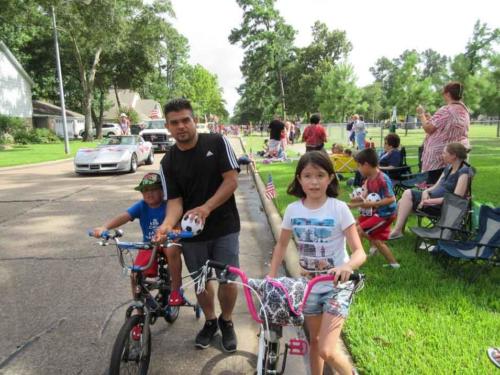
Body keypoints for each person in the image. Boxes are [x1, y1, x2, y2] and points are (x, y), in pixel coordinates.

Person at [268, 151, 366, 375]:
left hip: (337, 287)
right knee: (315, 341)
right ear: (299, 179)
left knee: (327, 350)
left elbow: (360, 252)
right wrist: (271, 277)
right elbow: (282, 246)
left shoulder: (339, 208)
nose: (314, 181)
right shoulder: (293, 210)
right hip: (309, 288)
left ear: (330, 178)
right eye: (308, 175)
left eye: (320, 175)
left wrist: (346, 267)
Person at [154, 98, 240, 352]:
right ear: (168, 127)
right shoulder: (168, 161)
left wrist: (206, 208)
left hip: (224, 226)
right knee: (201, 282)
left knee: (227, 279)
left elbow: (231, 181)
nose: (181, 126)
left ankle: (226, 321)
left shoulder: (216, 142)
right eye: (174, 122)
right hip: (191, 233)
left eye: (185, 120)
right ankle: (211, 321)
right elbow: (175, 203)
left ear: (194, 121)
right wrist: (167, 225)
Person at [91, 172, 184, 307]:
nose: (149, 193)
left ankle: (176, 289)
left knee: (172, 250)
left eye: (153, 189)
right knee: (135, 273)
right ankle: (139, 305)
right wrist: (104, 227)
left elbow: (177, 221)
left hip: (167, 242)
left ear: (163, 191)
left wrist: (176, 230)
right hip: (149, 245)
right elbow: (125, 216)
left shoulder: (168, 205)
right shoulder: (141, 206)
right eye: (145, 190)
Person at [389, 143, 472, 239]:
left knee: (407, 193)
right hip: (431, 200)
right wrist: (425, 192)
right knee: (401, 201)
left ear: (453, 155)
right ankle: (399, 231)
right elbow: (436, 186)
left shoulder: (463, 172)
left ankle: (397, 231)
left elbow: (455, 199)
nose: (442, 155)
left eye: (445, 153)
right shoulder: (449, 168)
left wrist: (429, 201)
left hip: (442, 207)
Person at [349, 148, 399, 267]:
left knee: (363, 232)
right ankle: (366, 254)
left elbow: (392, 199)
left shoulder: (382, 179)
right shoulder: (368, 179)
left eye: (359, 166)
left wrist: (371, 204)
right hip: (376, 212)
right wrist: (351, 204)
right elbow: (364, 197)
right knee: (357, 227)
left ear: (366, 165)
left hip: (385, 214)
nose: (358, 169)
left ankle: (358, 260)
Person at [417, 81, 470, 184]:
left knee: (434, 188)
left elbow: (428, 128)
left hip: (439, 159)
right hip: (456, 158)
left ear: (448, 94)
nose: (443, 96)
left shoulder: (446, 110)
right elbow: (449, 127)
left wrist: (421, 115)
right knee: (449, 187)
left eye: (443, 93)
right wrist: (432, 119)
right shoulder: (464, 110)